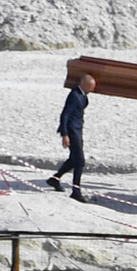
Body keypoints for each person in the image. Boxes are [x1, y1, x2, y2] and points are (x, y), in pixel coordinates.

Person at [47, 74, 96, 203]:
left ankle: (54, 179)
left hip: (78, 130)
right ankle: (76, 191)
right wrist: (65, 134)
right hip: (72, 132)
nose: (92, 90)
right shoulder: (74, 95)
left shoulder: (83, 95)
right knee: (80, 161)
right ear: (84, 84)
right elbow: (65, 115)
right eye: (91, 87)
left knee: (73, 160)